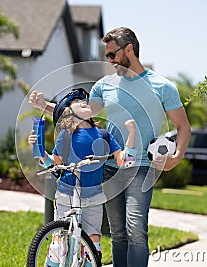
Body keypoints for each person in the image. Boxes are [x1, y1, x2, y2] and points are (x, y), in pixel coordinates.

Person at [29, 27, 191, 267]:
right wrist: (46, 105)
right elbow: (81, 115)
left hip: (142, 167)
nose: (110, 60)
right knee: (117, 232)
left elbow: (183, 127)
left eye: (112, 55)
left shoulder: (162, 87)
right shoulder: (104, 86)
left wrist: (176, 157)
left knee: (136, 228)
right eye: (107, 56)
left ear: (129, 49)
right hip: (110, 166)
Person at [28, 88, 136, 265]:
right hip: (67, 195)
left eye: (84, 100)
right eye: (77, 101)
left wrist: (131, 134)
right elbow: (54, 162)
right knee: (59, 245)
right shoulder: (66, 135)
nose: (83, 101)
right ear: (68, 112)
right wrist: (40, 151)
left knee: (93, 243)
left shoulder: (104, 135)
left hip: (93, 197)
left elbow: (122, 160)